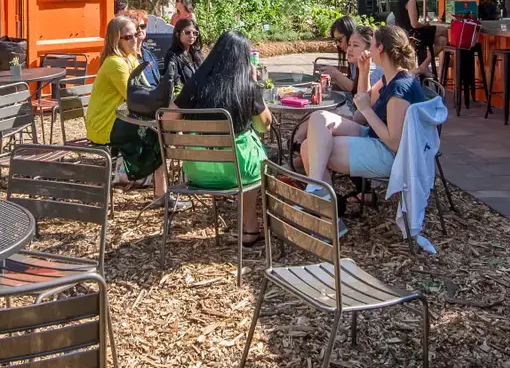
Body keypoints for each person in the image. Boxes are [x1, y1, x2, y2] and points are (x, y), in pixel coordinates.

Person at [300, 25, 432, 220]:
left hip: (391, 155)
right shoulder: (394, 77)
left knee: (308, 149)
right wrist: (363, 71)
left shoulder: (400, 88)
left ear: (380, 49)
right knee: (318, 117)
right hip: (375, 138)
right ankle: (315, 188)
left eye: (370, 45)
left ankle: (329, 216)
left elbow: (393, 141)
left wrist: (367, 110)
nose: (368, 50)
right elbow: (363, 107)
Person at [167, 30, 272, 246]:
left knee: (246, 155)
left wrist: (182, 136)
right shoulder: (247, 87)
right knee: (252, 157)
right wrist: (254, 85)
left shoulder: (196, 83)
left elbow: (167, 117)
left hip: (198, 169)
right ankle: (250, 228)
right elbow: (264, 125)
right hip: (238, 171)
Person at [85, 16, 179, 208]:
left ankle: (158, 191)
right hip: (105, 124)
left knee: (158, 134)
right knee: (157, 136)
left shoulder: (130, 58)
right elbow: (136, 98)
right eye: (128, 37)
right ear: (115, 40)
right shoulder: (115, 63)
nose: (135, 40)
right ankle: (158, 191)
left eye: (135, 35)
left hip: (122, 117)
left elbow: (146, 91)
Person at [161, 16, 204, 96]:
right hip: (185, 99)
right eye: (187, 32)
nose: (192, 36)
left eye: (195, 33)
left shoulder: (197, 53)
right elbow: (176, 84)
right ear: (177, 34)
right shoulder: (172, 56)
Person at [121, 8, 161, 88]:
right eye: (136, 27)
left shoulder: (148, 54)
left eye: (143, 26)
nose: (140, 30)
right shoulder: (125, 57)